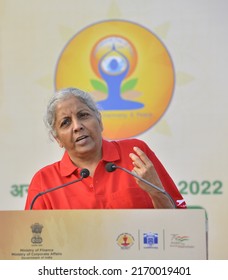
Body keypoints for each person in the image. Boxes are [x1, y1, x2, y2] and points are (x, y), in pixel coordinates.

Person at [24, 87, 186, 210]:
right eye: (65, 122)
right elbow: (34, 246)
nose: (77, 126)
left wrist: (156, 191)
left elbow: (181, 224)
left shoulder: (135, 154)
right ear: (57, 139)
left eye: (83, 115)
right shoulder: (44, 182)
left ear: (99, 121)